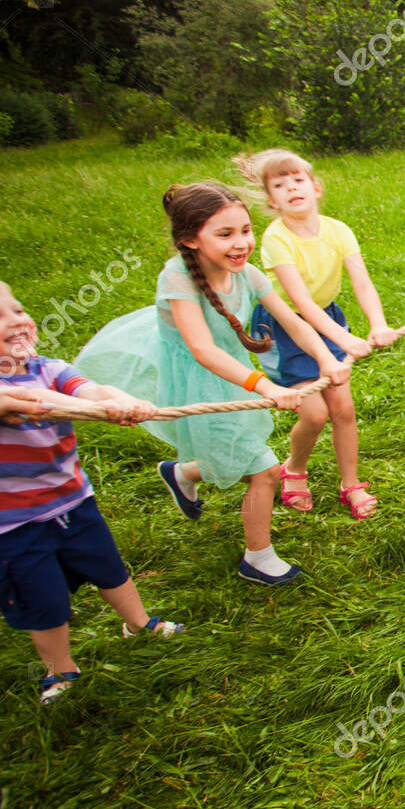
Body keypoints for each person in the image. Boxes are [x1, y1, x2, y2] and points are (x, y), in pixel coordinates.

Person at [75, 183, 348, 585]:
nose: (241, 243)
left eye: (245, 230)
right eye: (225, 234)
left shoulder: (249, 274)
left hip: (233, 372)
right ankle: (258, 557)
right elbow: (202, 350)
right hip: (198, 378)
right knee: (265, 470)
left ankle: (183, 473)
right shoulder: (177, 279)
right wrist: (265, 386)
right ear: (189, 239)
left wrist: (326, 358)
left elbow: (291, 320)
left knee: (235, 452)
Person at [0, 272, 180, 705]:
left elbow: (91, 388)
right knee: (44, 600)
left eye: (17, 308)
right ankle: (61, 670)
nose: (16, 319)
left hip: (73, 501)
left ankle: (138, 623)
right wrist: (99, 408)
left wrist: (118, 399)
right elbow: (19, 402)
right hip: (7, 525)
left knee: (110, 569)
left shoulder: (49, 368)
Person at [234, 148, 395, 519]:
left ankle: (350, 483)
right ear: (271, 200)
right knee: (314, 414)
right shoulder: (276, 238)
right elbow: (301, 304)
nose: (291, 188)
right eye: (280, 184)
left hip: (328, 319)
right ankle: (295, 468)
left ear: (316, 186)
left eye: (298, 179)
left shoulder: (338, 230)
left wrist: (378, 323)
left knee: (343, 408)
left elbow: (363, 284)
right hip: (285, 328)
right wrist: (342, 339)